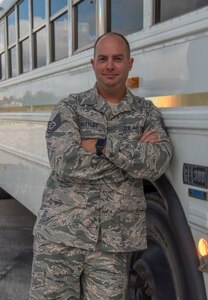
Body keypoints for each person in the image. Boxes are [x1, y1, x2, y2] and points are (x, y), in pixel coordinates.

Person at [29, 32, 172, 300]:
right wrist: (132, 156)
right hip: (60, 238)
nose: (110, 65)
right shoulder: (70, 108)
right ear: (93, 64)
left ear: (130, 64)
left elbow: (157, 164)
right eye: (103, 58)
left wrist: (100, 145)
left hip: (113, 245)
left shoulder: (147, 113)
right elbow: (64, 162)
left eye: (117, 59)